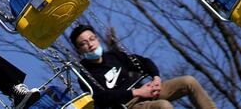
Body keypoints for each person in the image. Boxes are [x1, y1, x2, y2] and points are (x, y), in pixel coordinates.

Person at [69, 24, 215, 109]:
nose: (90, 44)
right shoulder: (85, 73)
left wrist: (156, 77)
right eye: (83, 43)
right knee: (164, 107)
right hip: (128, 105)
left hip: (147, 91)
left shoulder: (114, 56)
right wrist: (137, 93)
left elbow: (144, 62)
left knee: (188, 81)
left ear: (97, 39)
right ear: (79, 50)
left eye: (92, 39)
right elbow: (102, 99)